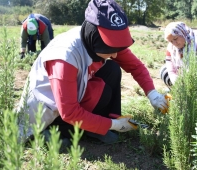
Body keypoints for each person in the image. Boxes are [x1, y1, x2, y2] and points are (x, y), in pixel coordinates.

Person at [17, 0, 169, 144]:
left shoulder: (101, 41)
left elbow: (135, 66)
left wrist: (152, 94)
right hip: (49, 111)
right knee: (70, 123)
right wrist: (113, 125)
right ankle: (53, 132)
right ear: (95, 38)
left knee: (112, 68)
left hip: (73, 93)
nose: (115, 55)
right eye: (110, 50)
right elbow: (69, 112)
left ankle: (98, 126)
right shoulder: (64, 57)